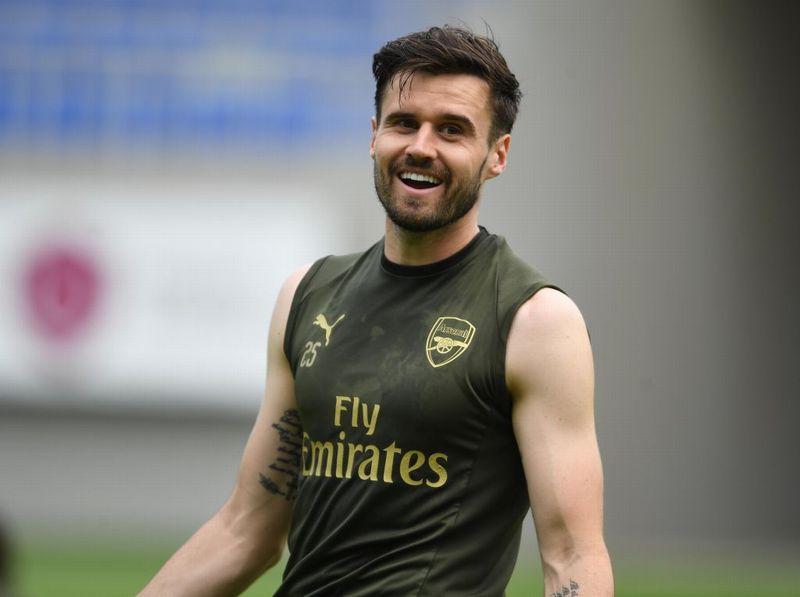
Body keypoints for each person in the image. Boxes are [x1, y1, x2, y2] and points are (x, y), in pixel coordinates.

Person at [140, 26, 613, 596]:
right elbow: (246, 529)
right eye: (404, 123)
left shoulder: (534, 321)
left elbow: (571, 556)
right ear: (374, 136)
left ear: (497, 155)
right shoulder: (307, 296)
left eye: (452, 130)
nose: (421, 146)